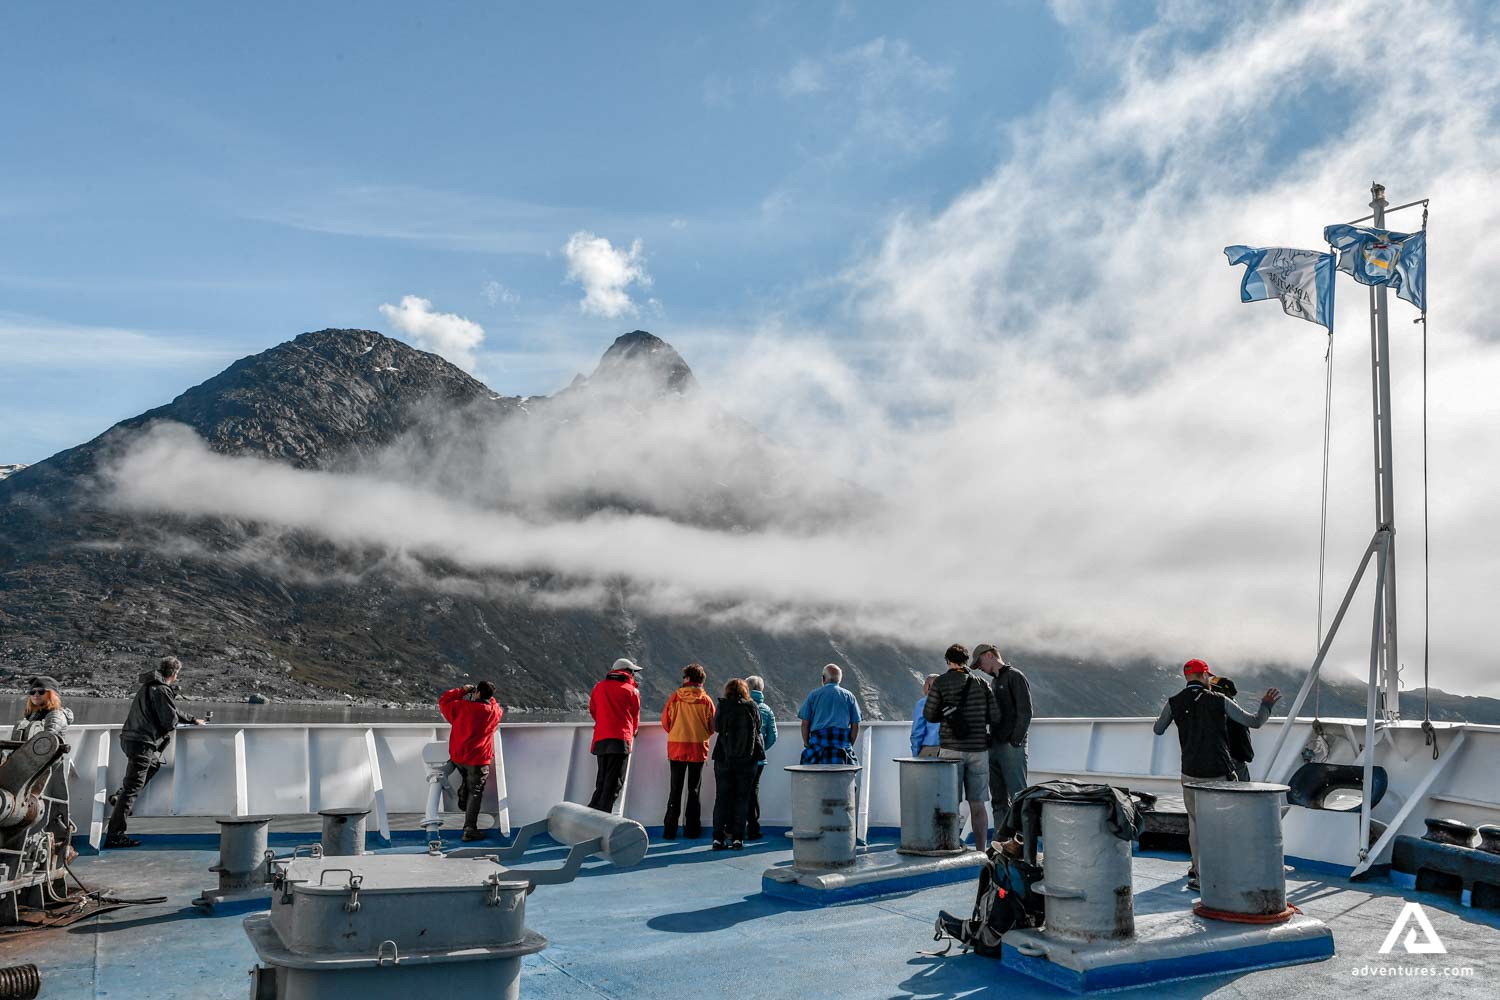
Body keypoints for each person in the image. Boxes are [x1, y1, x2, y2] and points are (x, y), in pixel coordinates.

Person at [1153, 659, 1280, 889]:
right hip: (1219, 773)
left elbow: (1158, 729)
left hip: (1190, 773)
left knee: (1195, 824)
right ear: (1204, 676)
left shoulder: (1174, 702)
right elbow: (1255, 722)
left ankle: (1198, 874)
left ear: (1186, 678)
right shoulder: (1219, 700)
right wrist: (1266, 705)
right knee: (1223, 825)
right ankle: (1223, 875)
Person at [105, 657, 207, 848]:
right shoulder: (161, 690)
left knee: (153, 764)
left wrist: (192, 719)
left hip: (130, 739)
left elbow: (172, 709)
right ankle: (115, 835)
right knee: (132, 789)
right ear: (175, 674)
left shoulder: (149, 687)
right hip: (142, 742)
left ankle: (118, 798)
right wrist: (180, 722)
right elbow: (169, 720)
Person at [924, 644, 998, 849]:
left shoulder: (941, 682)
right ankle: (981, 850)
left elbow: (929, 715)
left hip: (951, 749)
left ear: (948, 660)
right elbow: (995, 716)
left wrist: (948, 714)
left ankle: (951, 846)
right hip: (978, 749)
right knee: (977, 803)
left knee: (951, 802)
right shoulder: (982, 683)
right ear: (966, 661)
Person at [9, 676, 75, 864]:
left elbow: (48, 742)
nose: (35, 695)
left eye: (41, 691)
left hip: (46, 771)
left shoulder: (56, 716)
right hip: (25, 766)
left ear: (51, 694)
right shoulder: (29, 717)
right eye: (32, 692)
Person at [973, 643, 1032, 824]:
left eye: (980, 663)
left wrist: (1015, 740)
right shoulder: (994, 681)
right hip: (995, 746)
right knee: (998, 798)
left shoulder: (1015, 676)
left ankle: (1022, 844)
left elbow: (1025, 711)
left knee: (1018, 795)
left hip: (1010, 747)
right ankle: (1001, 842)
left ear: (989, 655)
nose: (980, 668)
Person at [438, 680, 504, 841]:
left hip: (459, 757)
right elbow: (496, 705)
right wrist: (487, 696)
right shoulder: (493, 712)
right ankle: (469, 829)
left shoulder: (461, 707)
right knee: (475, 793)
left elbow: (444, 700)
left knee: (467, 782)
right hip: (479, 760)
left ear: (478, 693)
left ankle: (463, 792)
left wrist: (462, 690)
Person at [661, 663, 715, 840]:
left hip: (676, 747)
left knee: (675, 789)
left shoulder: (675, 698)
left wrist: (678, 731)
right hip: (697, 748)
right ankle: (692, 830)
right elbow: (712, 727)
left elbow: (665, 722)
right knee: (694, 790)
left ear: (687, 679)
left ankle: (670, 831)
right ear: (701, 680)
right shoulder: (706, 701)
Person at [711, 678, 765, 850]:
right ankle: (737, 838)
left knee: (721, 799)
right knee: (742, 799)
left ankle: (718, 838)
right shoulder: (751, 706)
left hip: (724, 759)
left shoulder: (723, 705)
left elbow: (717, 727)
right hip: (747, 760)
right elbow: (758, 726)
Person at [587, 658, 642, 813]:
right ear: (627, 672)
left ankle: (590, 815)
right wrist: (633, 732)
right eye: (633, 672)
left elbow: (593, 711)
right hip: (620, 740)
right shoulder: (632, 691)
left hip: (601, 740)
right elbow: (635, 716)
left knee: (602, 781)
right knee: (614, 784)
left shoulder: (599, 687)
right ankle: (600, 820)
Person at [798, 664, 861, 764]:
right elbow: (855, 726)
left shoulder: (813, 695)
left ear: (823, 679)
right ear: (839, 679)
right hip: (842, 747)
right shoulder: (849, 696)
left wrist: (807, 744)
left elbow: (805, 724)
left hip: (818, 747)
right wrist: (848, 745)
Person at [745, 675, 778, 839]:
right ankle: (753, 828)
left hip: (742, 758)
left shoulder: (743, 706)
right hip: (759, 759)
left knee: (740, 791)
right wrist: (762, 749)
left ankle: (734, 827)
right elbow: (773, 735)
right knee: (753, 791)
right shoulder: (766, 709)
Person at [1210, 675, 1256, 782]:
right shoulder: (1235, 709)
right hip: (1236, 759)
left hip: (1231, 760)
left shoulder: (1224, 711)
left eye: (1214, 689)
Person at [909, 674, 942, 757]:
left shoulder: (923, 703)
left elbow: (917, 731)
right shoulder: (949, 700)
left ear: (928, 687)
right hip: (949, 750)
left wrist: (915, 753)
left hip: (930, 749)